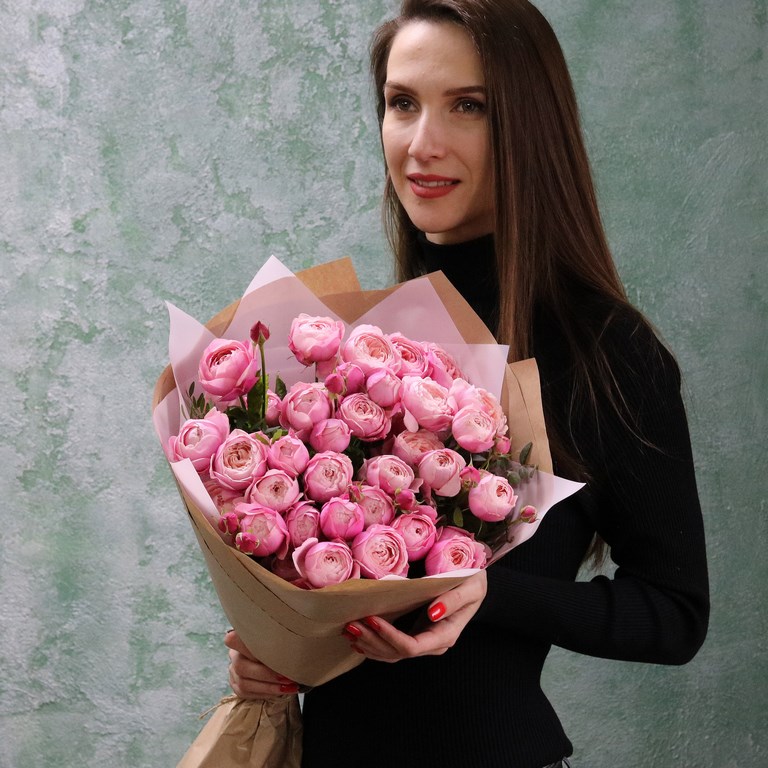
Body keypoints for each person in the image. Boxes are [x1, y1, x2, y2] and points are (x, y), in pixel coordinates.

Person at [225, 1, 710, 766]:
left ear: (528, 126)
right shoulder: (360, 349)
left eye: (468, 106)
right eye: (402, 103)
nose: (423, 143)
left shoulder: (603, 350)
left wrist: (486, 591)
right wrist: (281, 655)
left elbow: (675, 614)